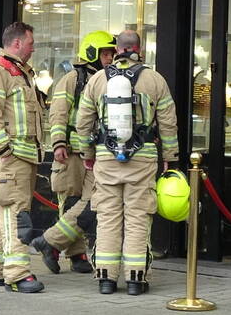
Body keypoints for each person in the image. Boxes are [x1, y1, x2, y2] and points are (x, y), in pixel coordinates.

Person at [75, 30, 179, 296]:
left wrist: (87, 154)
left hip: (107, 157)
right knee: (137, 217)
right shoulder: (155, 80)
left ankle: (106, 279)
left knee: (108, 217)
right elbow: (168, 123)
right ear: (139, 49)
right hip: (143, 157)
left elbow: (83, 122)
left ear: (117, 49)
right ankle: (136, 279)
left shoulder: (98, 79)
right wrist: (170, 158)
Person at [29, 31, 116, 275]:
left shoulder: (110, 80)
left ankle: (50, 243)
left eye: (111, 53)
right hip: (71, 154)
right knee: (71, 203)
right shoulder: (71, 79)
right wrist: (58, 143)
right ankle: (76, 254)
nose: (109, 58)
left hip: (97, 154)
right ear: (91, 54)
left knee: (93, 204)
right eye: (105, 53)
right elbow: (58, 114)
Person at [0, 21, 46, 294]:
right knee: (16, 215)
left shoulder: (19, 72)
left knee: (5, 213)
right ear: (17, 43)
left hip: (23, 156)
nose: (33, 47)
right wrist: (4, 151)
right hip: (14, 156)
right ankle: (17, 275)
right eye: (31, 42)